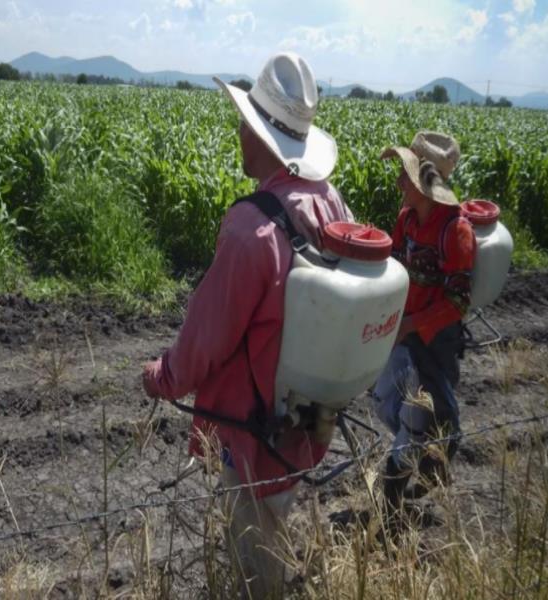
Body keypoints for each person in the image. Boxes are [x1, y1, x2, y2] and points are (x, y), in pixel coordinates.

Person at [141, 52, 352, 598]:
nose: (239, 131)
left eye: (246, 122)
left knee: (254, 547)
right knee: (279, 508)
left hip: (253, 423)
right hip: (308, 409)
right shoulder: (329, 200)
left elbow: (207, 334)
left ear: (262, 136)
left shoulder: (250, 228)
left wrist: (163, 377)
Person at [372, 131, 476, 519]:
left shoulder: (456, 231)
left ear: (425, 183)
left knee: (432, 413)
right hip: (406, 329)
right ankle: (422, 457)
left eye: (405, 174)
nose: (399, 181)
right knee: (386, 399)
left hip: (434, 338)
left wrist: (413, 324)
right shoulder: (407, 220)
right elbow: (396, 269)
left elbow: (458, 300)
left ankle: (394, 499)